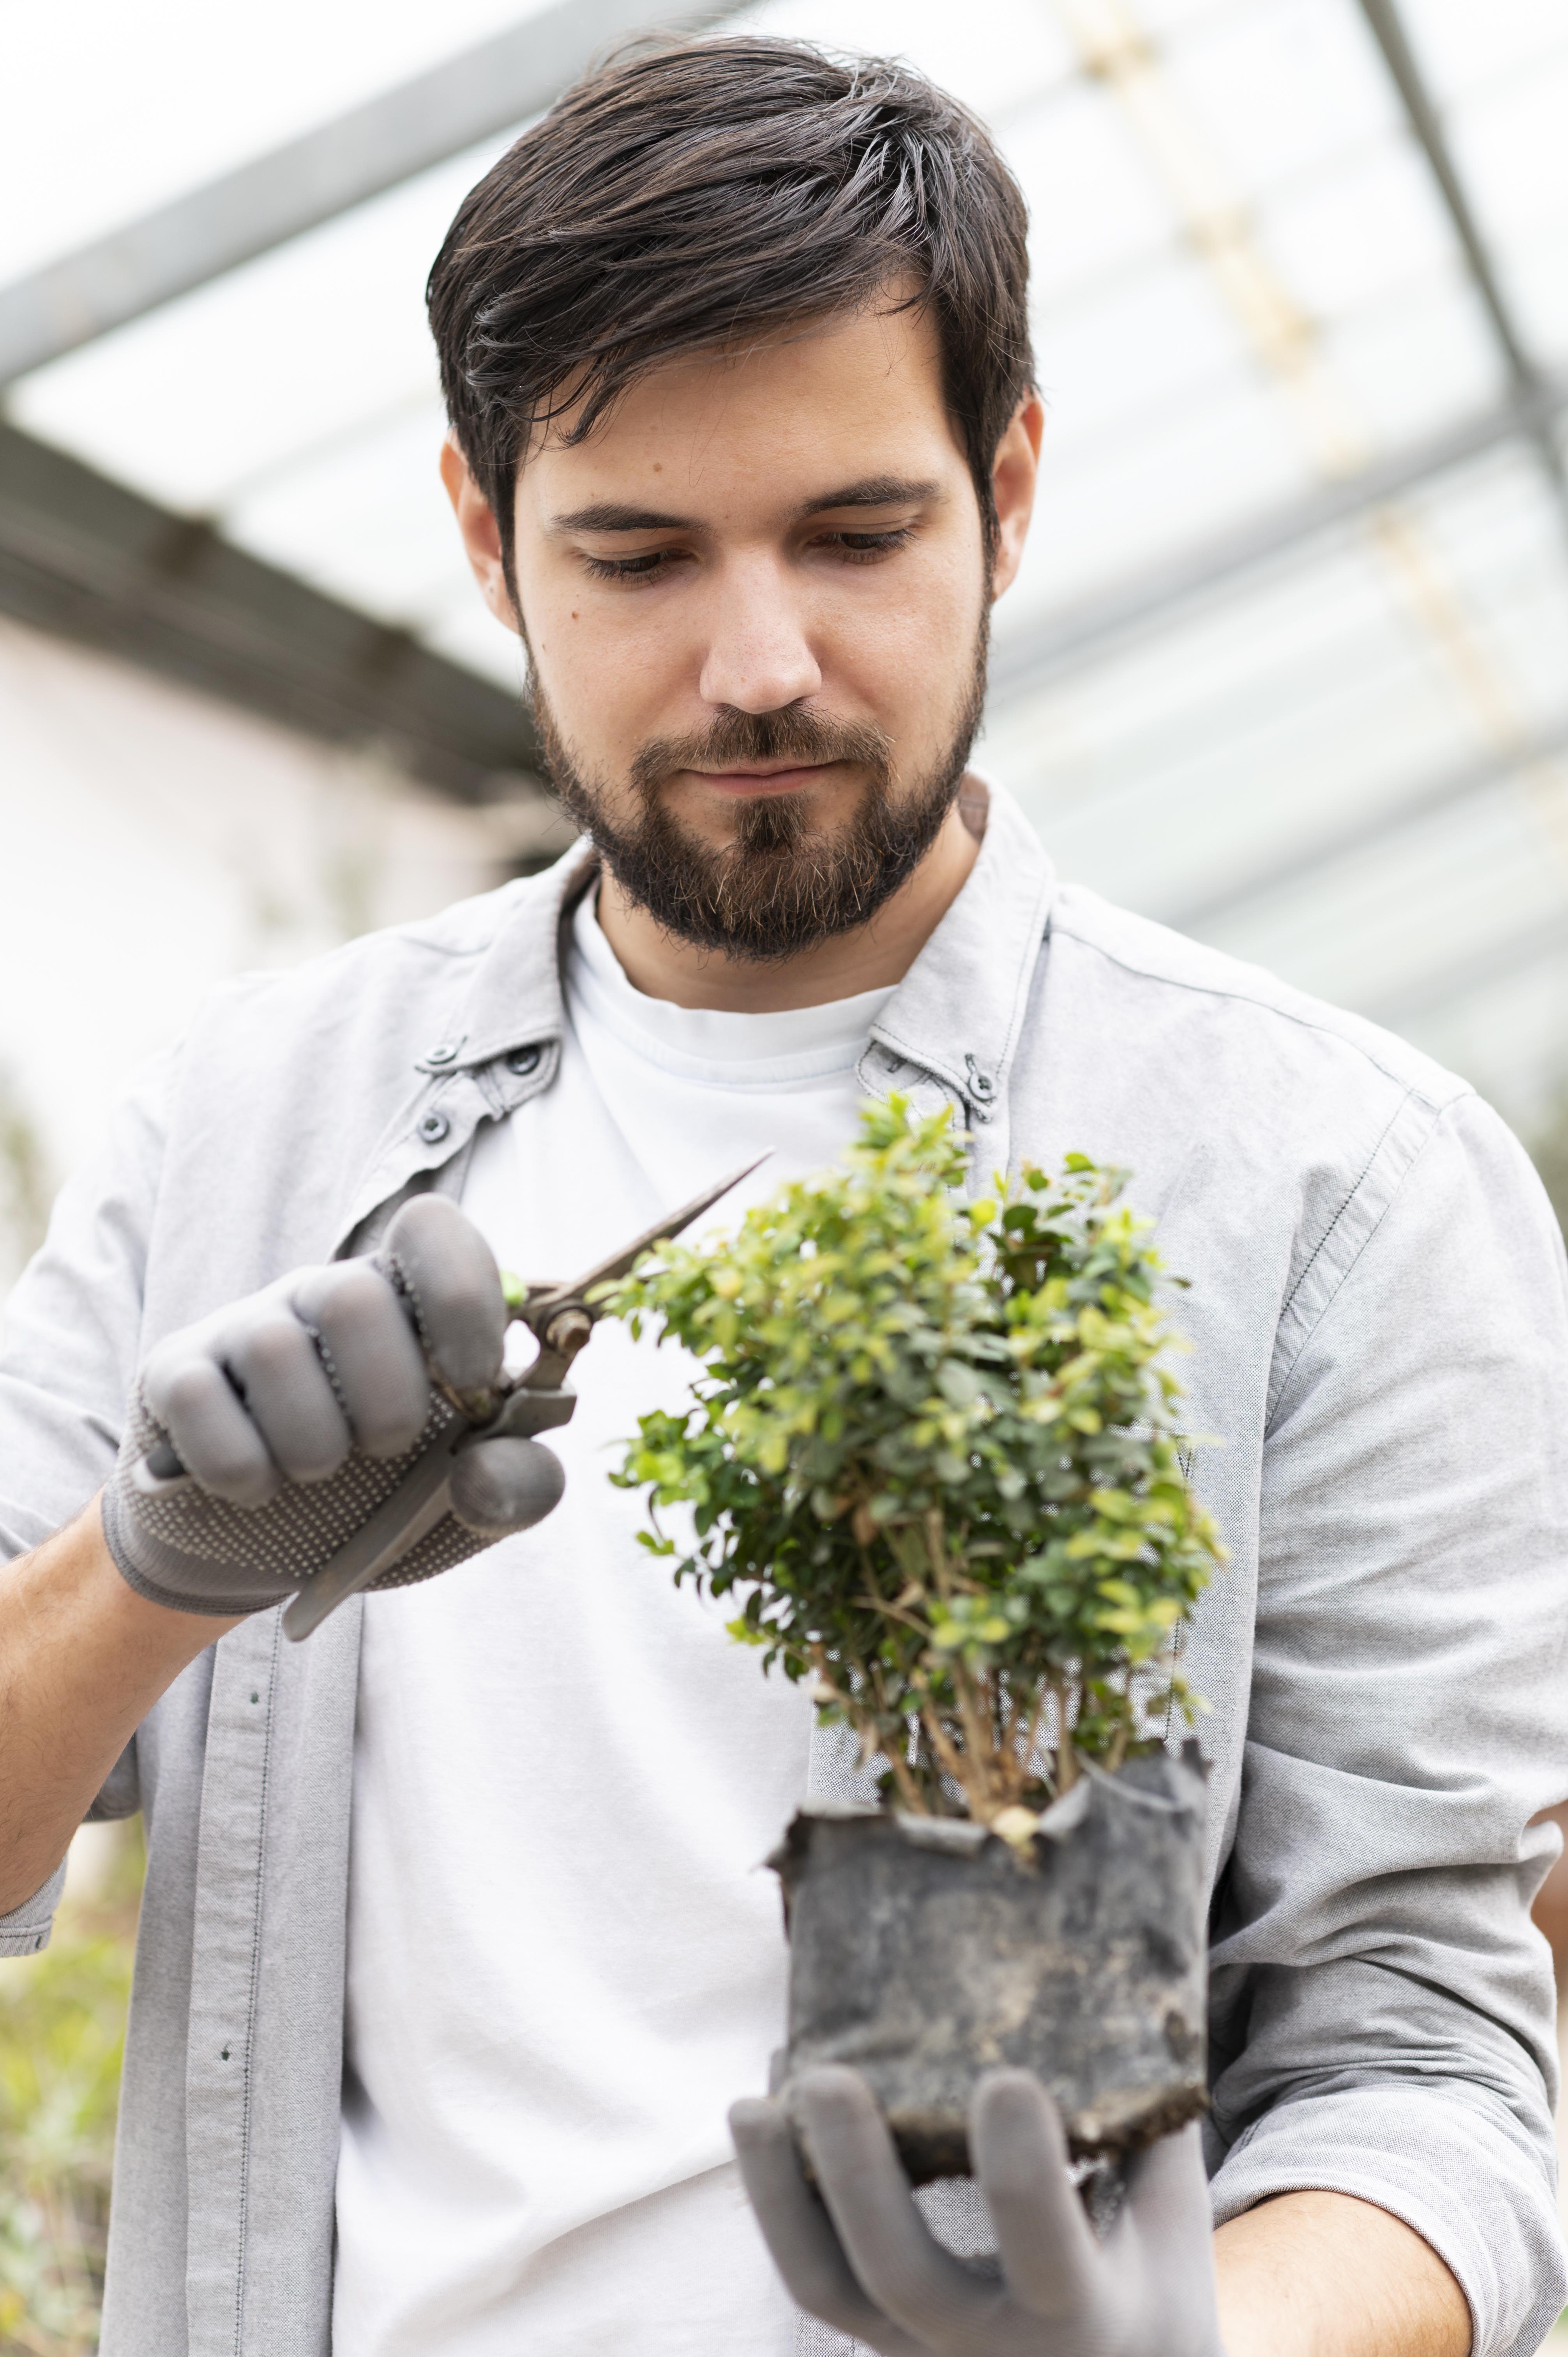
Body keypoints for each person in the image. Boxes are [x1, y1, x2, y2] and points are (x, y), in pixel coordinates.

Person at [1, 35, 1564, 2357]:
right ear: (477, 530)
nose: (759, 665)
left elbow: (1431, 2052)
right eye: (635, 554)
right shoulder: (251, 1125)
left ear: (1004, 490)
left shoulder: (1326, 1177)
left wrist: (1190, 2349)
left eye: (856, 536)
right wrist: (147, 1575)